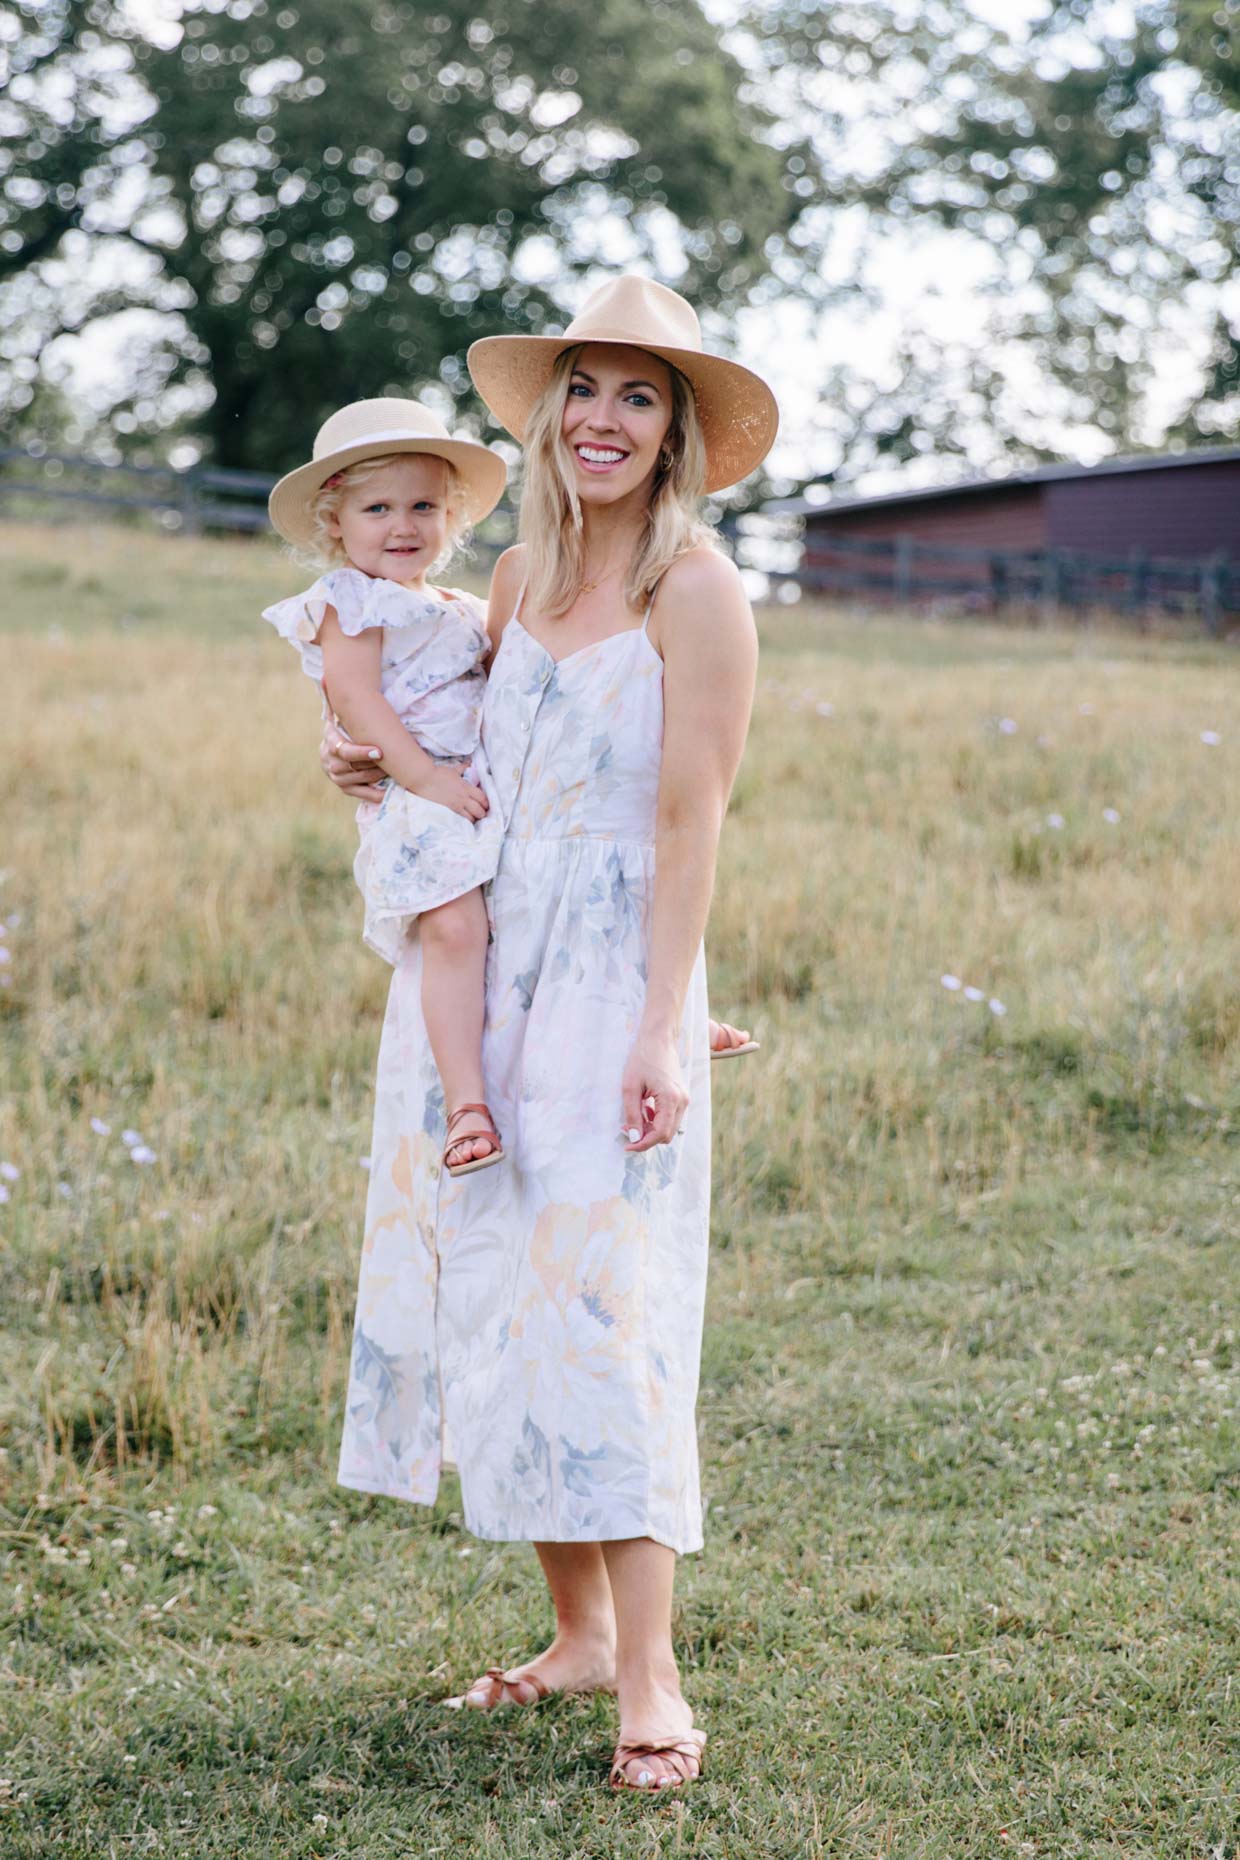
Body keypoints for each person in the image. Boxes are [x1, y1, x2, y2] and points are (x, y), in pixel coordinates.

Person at [321, 277, 777, 1791]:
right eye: (585, 388)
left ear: (676, 433)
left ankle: (650, 1674)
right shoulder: (516, 581)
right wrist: (365, 759)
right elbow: (464, 756)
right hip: (490, 984)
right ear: (548, 410)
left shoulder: (694, 590)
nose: (604, 418)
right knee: (509, 1308)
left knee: (608, 1319)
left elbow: (690, 818)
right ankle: (573, 1633)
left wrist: (662, 1024)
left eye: (639, 398)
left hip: (608, 992)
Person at [262, 399, 514, 1176]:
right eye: (378, 508)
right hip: (416, 797)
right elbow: (356, 697)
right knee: (456, 932)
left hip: (476, 783)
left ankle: (666, 1016)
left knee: (554, 898)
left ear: (452, 517)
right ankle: (467, 1102)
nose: (403, 525)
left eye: (424, 507)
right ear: (336, 521)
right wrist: (425, 777)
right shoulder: (352, 599)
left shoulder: (460, 608)